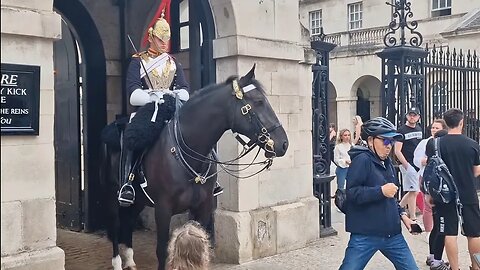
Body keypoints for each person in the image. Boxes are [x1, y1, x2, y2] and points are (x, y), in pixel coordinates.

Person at [118, 13, 222, 205]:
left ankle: (211, 178)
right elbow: (133, 93)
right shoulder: (138, 61)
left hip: (172, 108)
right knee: (134, 137)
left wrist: (170, 94)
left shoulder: (173, 62)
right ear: (151, 37)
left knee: (201, 132)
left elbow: (184, 90)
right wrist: (153, 95)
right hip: (148, 110)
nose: (164, 42)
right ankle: (128, 182)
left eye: (167, 39)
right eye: (160, 39)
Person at [339, 117, 418, 270]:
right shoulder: (362, 160)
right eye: (385, 141)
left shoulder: (387, 162)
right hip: (365, 234)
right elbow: (353, 193)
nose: (389, 146)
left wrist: (403, 216)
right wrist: (380, 191)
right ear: (370, 140)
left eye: (392, 142)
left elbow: (392, 197)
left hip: (392, 234)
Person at [425, 108, 480, 270]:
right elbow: (476, 171)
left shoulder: (435, 144)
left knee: (449, 232)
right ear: (461, 122)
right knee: (474, 233)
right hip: (468, 192)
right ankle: (476, 266)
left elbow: (431, 169)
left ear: (445, 124)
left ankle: (455, 268)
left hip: (444, 194)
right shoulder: (472, 144)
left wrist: (429, 193)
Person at [414, 119, 449, 269]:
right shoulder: (430, 143)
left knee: (437, 225)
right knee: (440, 225)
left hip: (431, 184)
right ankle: (436, 260)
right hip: (437, 186)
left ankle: (433, 256)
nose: (434, 130)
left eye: (437, 128)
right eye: (433, 127)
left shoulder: (433, 144)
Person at [396, 107, 423, 221]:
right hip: (407, 163)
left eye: (414, 115)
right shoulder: (401, 130)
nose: (412, 117)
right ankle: (412, 216)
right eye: (410, 115)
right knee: (413, 190)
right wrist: (406, 165)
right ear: (407, 116)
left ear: (418, 117)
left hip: (417, 163)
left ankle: (398, 208)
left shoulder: (419, 128)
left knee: (413, 190)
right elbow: (397, 150)